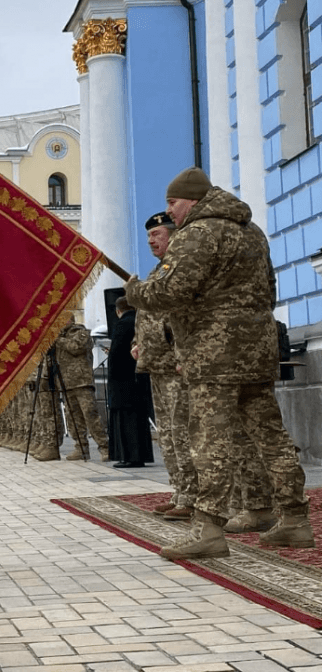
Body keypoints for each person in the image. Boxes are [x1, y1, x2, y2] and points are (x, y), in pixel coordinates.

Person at [126, 166, 315, 559]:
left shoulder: (198, 233)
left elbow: (170, 291)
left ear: (192, 200)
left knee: (209, 439)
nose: (171, 212)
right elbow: (270, 290)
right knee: (270, 436)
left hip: (214, 356)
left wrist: (136, 291)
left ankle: (209, 528)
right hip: (257, 351)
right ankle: (295, 520)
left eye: (173, 203)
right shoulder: (252, 232)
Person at [133, 211, 197, 520]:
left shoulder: (181, 270)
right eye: (148, 237)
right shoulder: (159, 272)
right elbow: (149, 315)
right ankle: (180, 490)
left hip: (176, 366)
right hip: (156, 365)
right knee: (168, 435)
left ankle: (193, 496)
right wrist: (139, 343)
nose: (150, 241)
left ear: (173, 235)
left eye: (156, 235)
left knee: (182, 432)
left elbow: (184, 317)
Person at [47, 316, 108, 461]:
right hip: (66, 384)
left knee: (90, 415)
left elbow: (75, 348)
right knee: (73, 418)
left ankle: (105, 447)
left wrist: (57, 339)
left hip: (82, 382)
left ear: (69, 320)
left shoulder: (81, 332)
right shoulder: (60, 338)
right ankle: (81, 448)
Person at [106, 297, 154, 468]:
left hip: (123, 382)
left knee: (126, 421)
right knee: (139, 419)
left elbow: (117, 355)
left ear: (118, 311)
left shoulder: (121, 324)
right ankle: (140, 455)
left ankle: (130, 456)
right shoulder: (139, 321)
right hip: (138, 378)